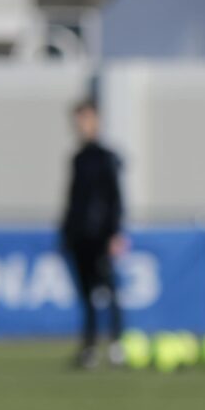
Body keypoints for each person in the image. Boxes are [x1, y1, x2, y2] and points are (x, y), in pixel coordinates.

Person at [59, 99, 127, 369]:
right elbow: (73, 200)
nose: (80, 125)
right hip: (80, 237)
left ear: (96, 120)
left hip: (101, 236)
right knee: (86, 296)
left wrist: (114, 233)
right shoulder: (77, 158)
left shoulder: (106, 157)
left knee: (109, 291)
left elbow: (115, 199)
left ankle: (117, 345)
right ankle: (88, 347)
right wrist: (66, 233)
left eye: (85, 119)